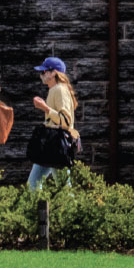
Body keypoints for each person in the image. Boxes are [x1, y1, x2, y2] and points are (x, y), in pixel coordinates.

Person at [28, 56, 80, 190]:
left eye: (44, 71)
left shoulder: (59, 90)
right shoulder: (55, 89)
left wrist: (45, 108)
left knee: (62, 189)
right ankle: (37, 209)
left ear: (53, 73)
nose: (41, 74)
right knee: (35, 185)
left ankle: (71, 210)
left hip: (57, 145)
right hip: (51, 145)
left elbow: (66, 121)